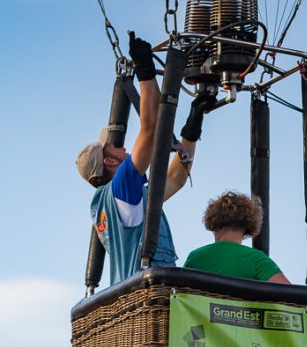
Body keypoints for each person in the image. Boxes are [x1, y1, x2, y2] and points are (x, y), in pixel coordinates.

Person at [76, 32, 215, 285]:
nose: (122, 148)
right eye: (114, 148)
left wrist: (192, 128)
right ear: (109, 162)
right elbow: (149, 129)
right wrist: (145, 72)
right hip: (148, 293)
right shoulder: (121, 186)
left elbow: (175, 178)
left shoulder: (127, 200)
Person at [184, 191, 290, 283]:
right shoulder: (257, 259)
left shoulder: (195, 257)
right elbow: (290, 294)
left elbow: (177, 295)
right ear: (247, 228)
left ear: (213, 224)